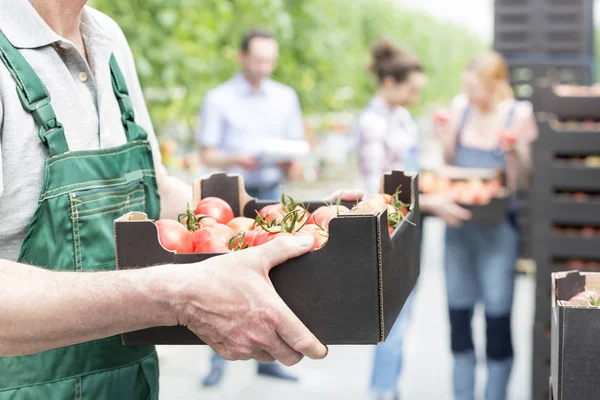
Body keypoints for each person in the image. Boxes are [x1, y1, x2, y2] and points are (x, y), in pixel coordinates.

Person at [0, 1, 359, 398]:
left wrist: (283, 219)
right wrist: (176, 294)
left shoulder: (105, 36)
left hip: (126, 383)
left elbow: (155, 189)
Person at [357, 39, 472, 400]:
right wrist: (434, 202)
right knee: (392, 319)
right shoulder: (372, 124)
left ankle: (389, 388)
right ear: (389, 83)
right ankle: (381, 391)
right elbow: (378, 188)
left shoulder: (402, 118)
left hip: (410, 227)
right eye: (411, 90)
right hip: (386, 231)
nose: (414, 98)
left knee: (403, 318)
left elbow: (412, 172)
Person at [435, 51, 538, 400]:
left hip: (498, 231)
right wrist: (443, 135)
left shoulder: (516, 114)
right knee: (459, 320)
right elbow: (449, 162)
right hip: (458, 231)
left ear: (496, 87)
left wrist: (514, 150)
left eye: (476, 88)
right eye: (467, 86)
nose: (470, 94)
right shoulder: (461, 108)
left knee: (497, 319)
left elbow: (524, 178)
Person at [197, 28, 306, 201]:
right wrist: (236, 159)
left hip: (274, 192)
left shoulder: (286, 97)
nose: (264, 68)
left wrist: (291, 164)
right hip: (231, 195)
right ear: (242, 57)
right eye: (259, 61)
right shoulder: (217, 99)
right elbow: (206, 155)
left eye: (270, 61)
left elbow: (296, 146)